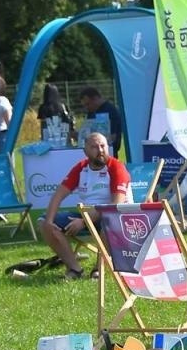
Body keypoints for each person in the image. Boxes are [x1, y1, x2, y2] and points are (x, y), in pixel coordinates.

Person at [36, 131, 129, 280]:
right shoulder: (81, 168)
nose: (100, 151)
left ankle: (99, 269)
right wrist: (49, 220)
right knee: (43, 222)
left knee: (110, 222)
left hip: (115, 216)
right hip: (86, 215)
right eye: (94, 147)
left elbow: (115, 205)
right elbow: (58, 195)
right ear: (85, 151)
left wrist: (84, 221)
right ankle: (75, 269)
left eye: (103, 146)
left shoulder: (116, 167)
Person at [79, 86, 124, 160]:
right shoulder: (91, 112)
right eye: (84, 105)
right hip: (93, 155)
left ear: (96, 98)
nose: (86, 107)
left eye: (88, 104)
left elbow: (113, 136)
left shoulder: (110, 110)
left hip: (108, 154)